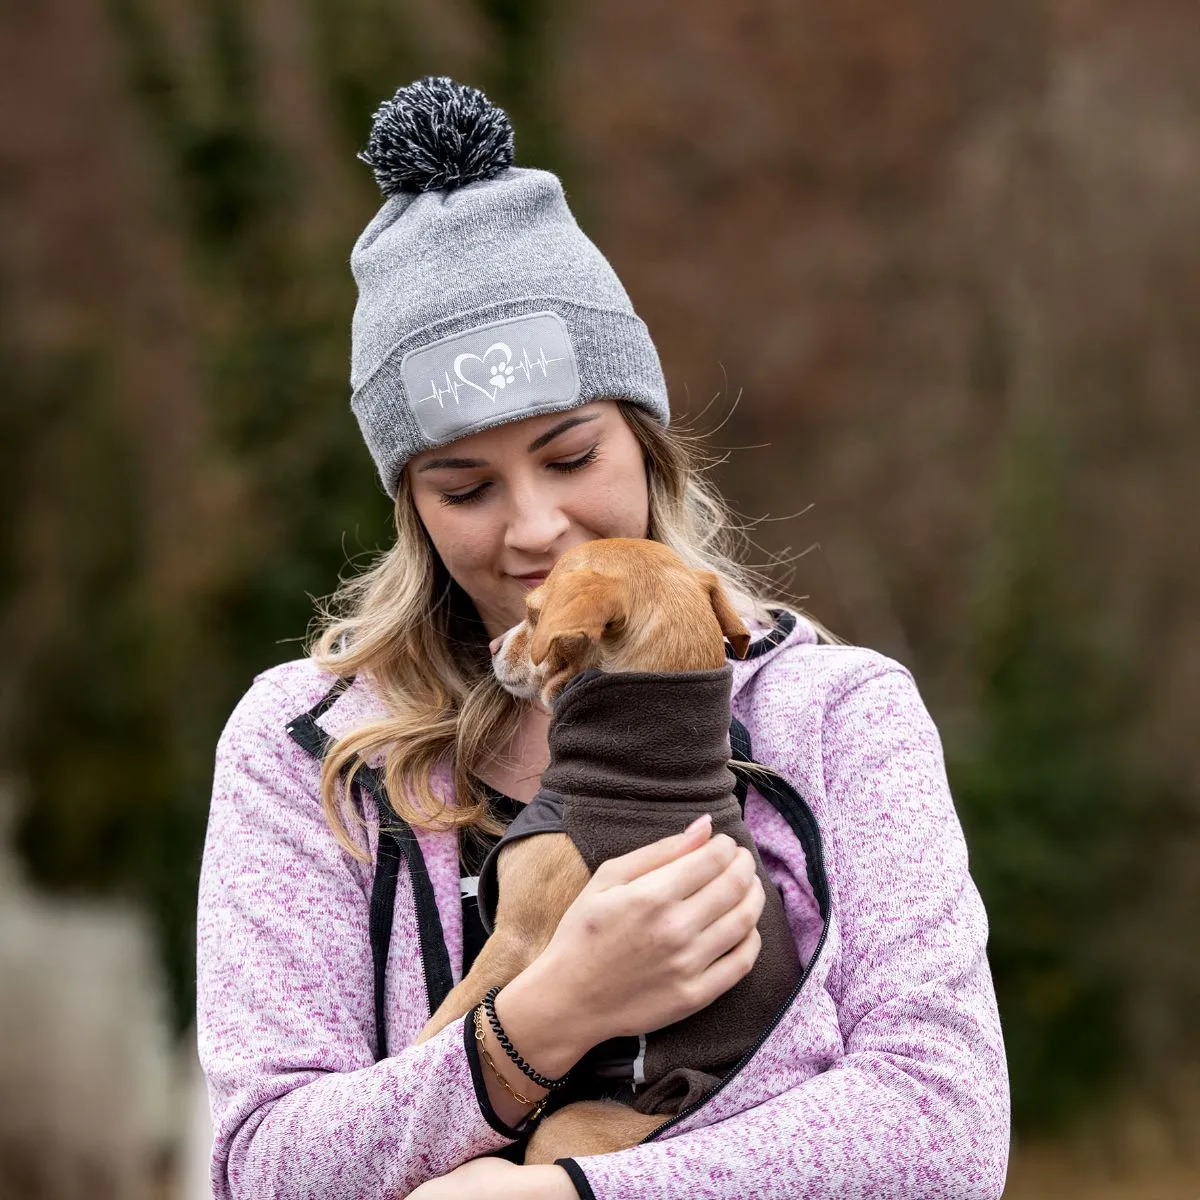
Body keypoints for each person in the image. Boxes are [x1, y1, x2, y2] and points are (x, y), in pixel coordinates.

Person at [196, 77, 1010, 1200]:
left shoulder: (833, 716)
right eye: (465, 484)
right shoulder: (310, 751)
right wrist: (547, 1011)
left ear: (645, 439)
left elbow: (944, 1129)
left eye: (572, 456)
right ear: (411, 505)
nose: (535, 529)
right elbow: (262, 1169)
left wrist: (568, 1195)